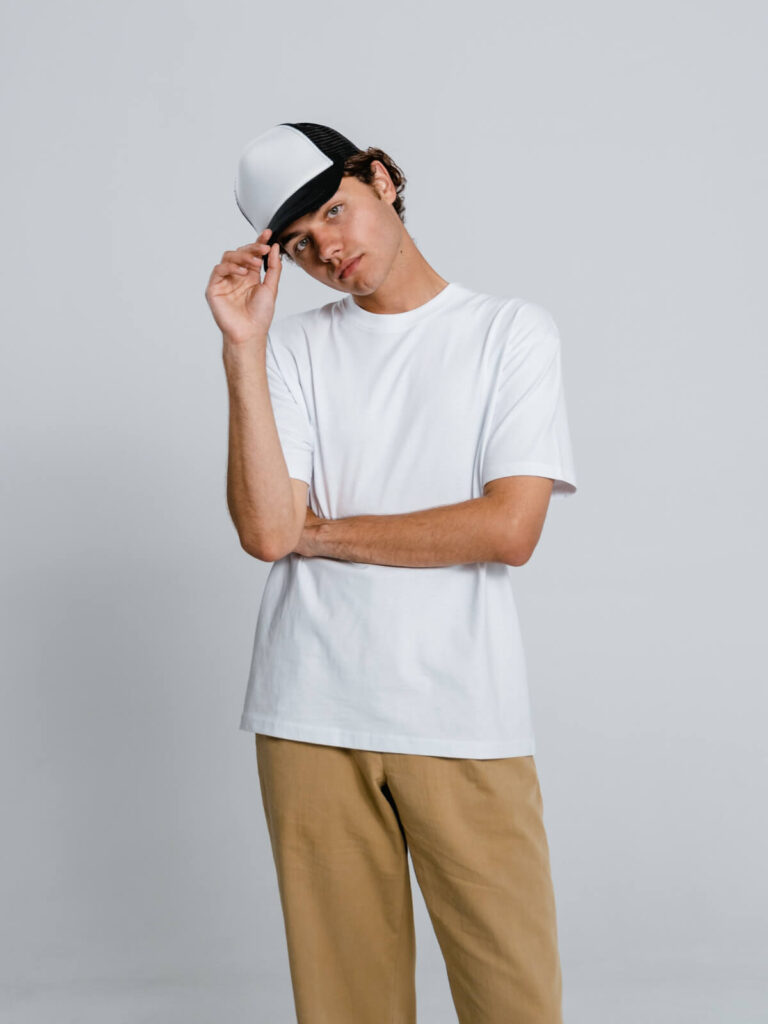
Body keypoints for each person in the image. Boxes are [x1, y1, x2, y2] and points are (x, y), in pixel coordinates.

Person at [204, 121, 578, 1024]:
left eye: (334, 212)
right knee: (346, 1006)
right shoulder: (289, 350)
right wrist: (242, 347)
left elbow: (508, 527)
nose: (328, 250)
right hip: (308, 713)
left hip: (461, 714)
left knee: (514, 1000)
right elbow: (268, 530)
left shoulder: (508, 333)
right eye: (301, 244)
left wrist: (324, 535)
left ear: (379, 179)